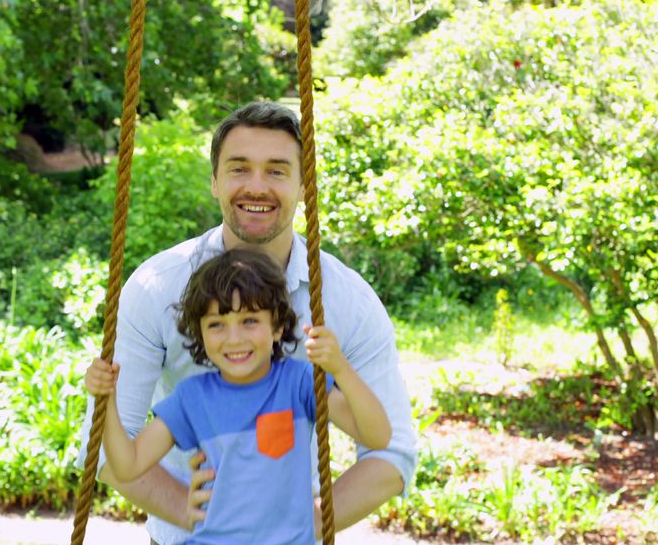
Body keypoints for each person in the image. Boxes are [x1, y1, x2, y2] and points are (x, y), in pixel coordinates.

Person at [77, 101, 416, 544]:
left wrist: (303, 524)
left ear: (304, 183)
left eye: (277, 171)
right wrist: (196, 514)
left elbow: (391, 451)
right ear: (215, 181)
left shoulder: (344, 301)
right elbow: (105, 447)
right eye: (239, 169)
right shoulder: (157, 288)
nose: (257, 187)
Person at [85, 249, 392, 544]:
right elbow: (128, 466)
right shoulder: (193, 399)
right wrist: (107, 401)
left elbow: (377, 437)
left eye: (249, 321)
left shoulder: (298, 384)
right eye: (217, 324)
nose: (234, 338)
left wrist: (340, 369)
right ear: (200, 335)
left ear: (277, 325)